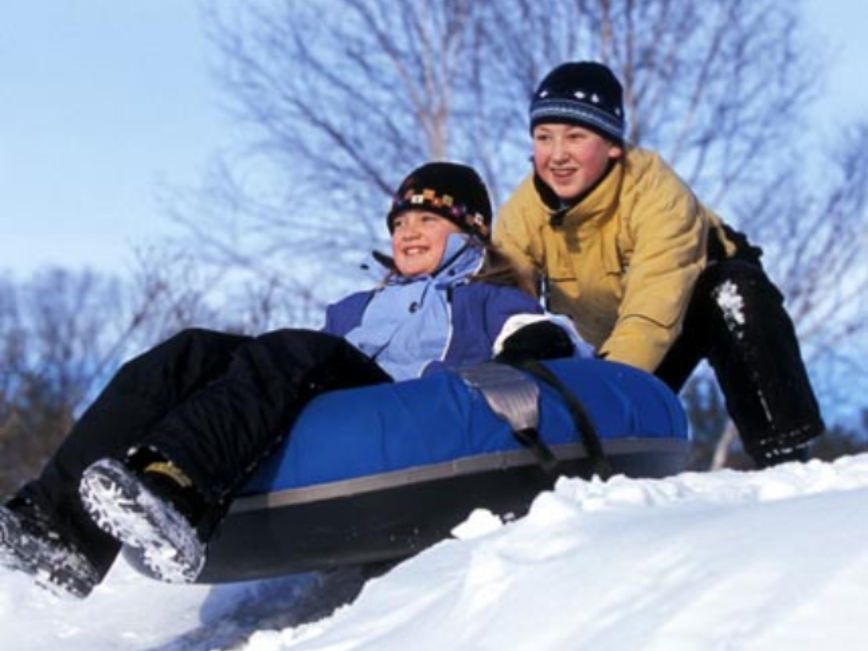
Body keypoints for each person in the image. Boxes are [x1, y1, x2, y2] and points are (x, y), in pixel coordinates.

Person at [0, 162, 580, 599]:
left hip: (400, 414)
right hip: (326, 398)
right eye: (400, 221)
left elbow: (551, 337)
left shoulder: (485, 299)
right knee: (191, 348)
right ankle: (61, 528)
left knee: (297, 347)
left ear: (469, 232)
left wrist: (536, 342)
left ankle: (174, 482)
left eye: (428, 219)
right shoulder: (354, 308)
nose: (408, 232)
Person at [494, 61, 825, 469]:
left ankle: (784, 457)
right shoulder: (522, 212)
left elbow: (652, 314)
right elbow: (502, 300)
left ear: (613, 145)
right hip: (597, 348)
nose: (557, 154)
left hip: (678, 319)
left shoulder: (659, 196)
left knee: (733, 291)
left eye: (575, 137)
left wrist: (602, 403)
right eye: (544, 138)